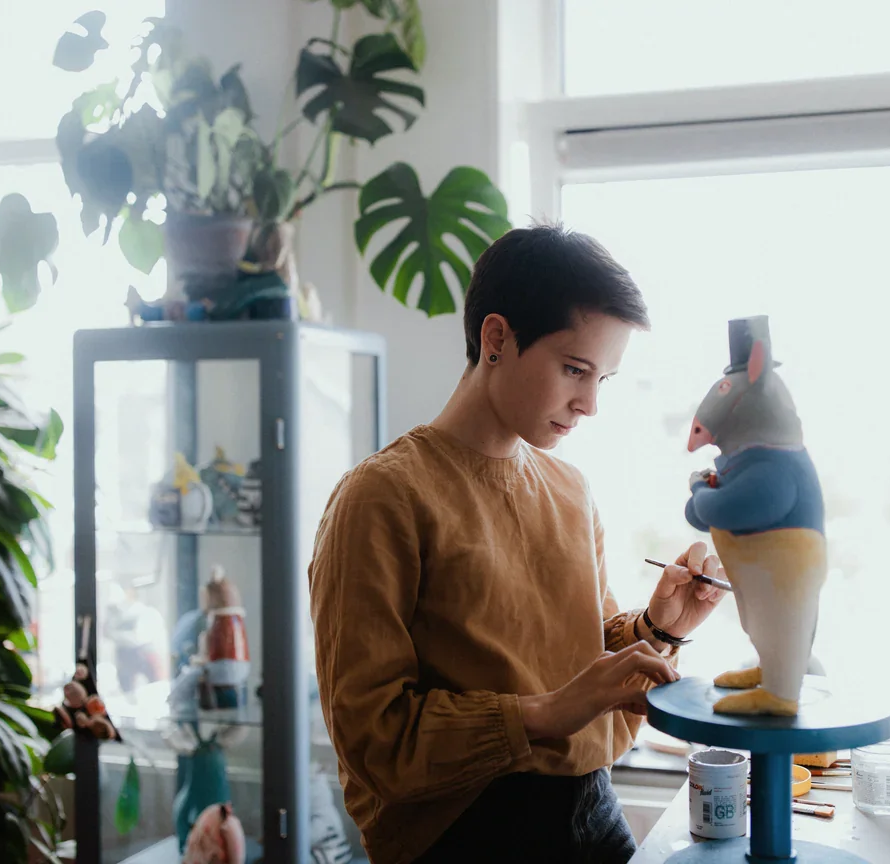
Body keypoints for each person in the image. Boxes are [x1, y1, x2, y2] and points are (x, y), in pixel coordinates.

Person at [309, 224, 729, 864]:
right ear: (496, 338)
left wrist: (656, 628)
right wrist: (543, 713)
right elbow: (373, 738)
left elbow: (576, 667)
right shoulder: (381, 498)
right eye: (574, 369)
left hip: (593, 811)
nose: (588, 404)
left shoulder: (570, 489)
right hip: (462, 833)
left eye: (603, 380)